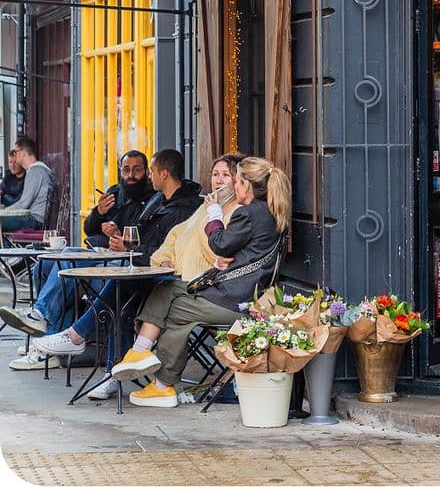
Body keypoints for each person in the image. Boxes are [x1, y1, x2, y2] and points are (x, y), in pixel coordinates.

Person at [111, 156, 291, 409]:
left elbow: (219, 243)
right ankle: (149, 366)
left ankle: (157, 377)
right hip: (236, 293)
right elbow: (242, 253)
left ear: (247, 185)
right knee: (167, 291)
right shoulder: (265, 212)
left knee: (173, 308)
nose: (234, 187)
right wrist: (219, 264)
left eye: (237, 181)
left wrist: (214, 214)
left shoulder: (248, 214)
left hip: (233, 302)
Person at [78, 153, 243, 402]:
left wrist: (213, 216)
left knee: (149, 296)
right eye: (215, 174)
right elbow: (176, 238)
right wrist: (164, 258)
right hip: (180, 278)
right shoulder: (206, 206)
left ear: (238, 181)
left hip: (207, 288)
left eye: (225, 175)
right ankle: (130, 362)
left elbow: (217, 250)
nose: (218, 180)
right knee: (128, 289)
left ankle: (144, 371)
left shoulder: (231, 212)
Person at [33, 150, 202, 366]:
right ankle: (44, 318)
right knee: (60, 258)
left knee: (118, 287)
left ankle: (83, 348)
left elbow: (168, 252)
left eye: (146, 170)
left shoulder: (177, 207)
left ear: (164, 174)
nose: (144, 175)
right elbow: (94, 233)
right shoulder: (153, 199)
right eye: (126, 169)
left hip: (148, 269)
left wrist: (128, 246)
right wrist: (99, 216)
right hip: (126, 258)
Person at [0, 150, 154, 357]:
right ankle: (48, 334)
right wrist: (98, 212)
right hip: (101, 253)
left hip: (124, 263)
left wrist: (118, 236)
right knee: (43, 266)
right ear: (120, 171)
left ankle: (43, 327)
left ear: (147, 172)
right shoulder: (114, 193)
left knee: (69, 262)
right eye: (126, 170)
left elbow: (143, 238)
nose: (131, 175)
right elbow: (89, 230)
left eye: (137, 170)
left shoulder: (151, 199)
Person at [0, 138, 53, 234]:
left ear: (23, 153)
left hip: (35, 220)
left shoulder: (35, 171)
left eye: (16, 152)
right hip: (35, 219)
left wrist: (4, 211)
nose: (15, 156)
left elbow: (23, 204)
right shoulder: (39, 170)